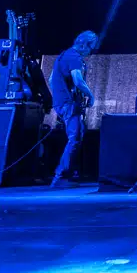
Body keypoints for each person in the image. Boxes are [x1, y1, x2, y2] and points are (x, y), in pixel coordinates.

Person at [48, 30, 98, 187]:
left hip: (64, 102)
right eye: (91, 48)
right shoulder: (74, 57)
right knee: (74, 138)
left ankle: (68, 174)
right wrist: (90, 96)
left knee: (78, 134)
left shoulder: (65, 55)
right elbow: (78, 81)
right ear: (85, 45)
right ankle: (60, 177)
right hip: (68, 104)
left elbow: (51, 79)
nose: (90, 52)